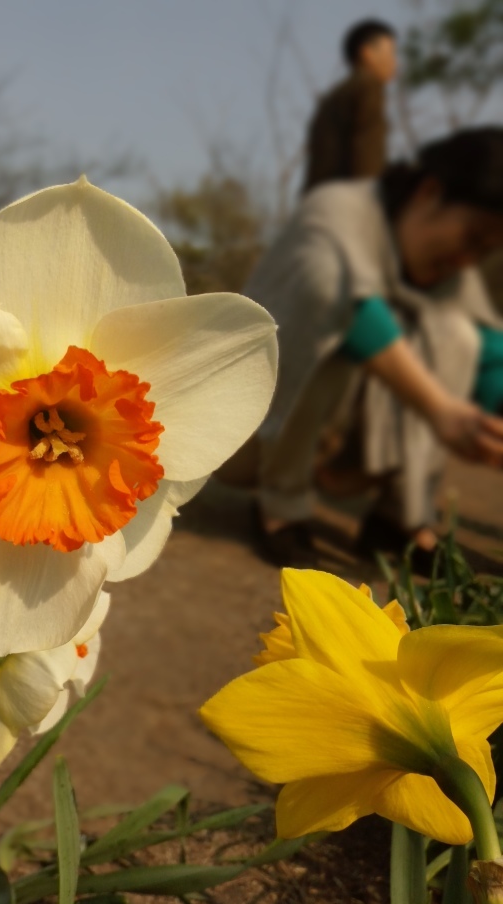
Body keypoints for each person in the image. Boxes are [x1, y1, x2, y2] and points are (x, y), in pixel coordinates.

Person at [221, 128, 503, 568]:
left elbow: (489, 352)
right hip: (248, 432)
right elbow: (340, 299)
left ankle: (399, 520)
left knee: (457, 334)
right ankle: (280, 508)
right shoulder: (339, 209)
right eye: (474, 237)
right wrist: (439, 408)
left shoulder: (450, 271)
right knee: (331, 327)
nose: (470, 260)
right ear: (430, 192)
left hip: (343, 444)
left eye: (487, 250)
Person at [304, 19, 397, 192]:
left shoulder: (332, 97)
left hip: (315, 200)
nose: (395, 62)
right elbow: (367, 155)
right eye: (391, 53)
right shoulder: (368, 85)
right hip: (348, 200)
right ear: (367, 53)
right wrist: (375, 199)